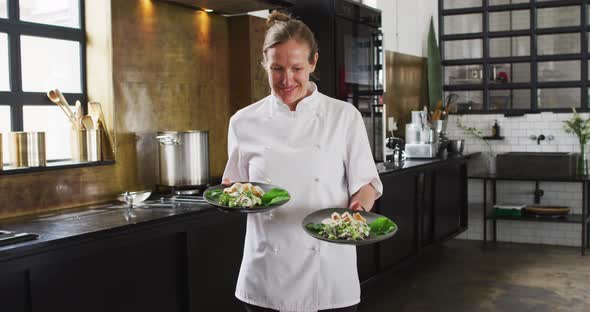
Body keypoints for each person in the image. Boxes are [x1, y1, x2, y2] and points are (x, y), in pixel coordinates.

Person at [222, 11, 383, 312]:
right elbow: (239, 188)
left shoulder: (344, 117)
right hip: (266, 275)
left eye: (297, 68)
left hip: (329, 274)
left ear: (314, 62)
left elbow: (367, 185)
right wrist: (234, 195)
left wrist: (360, 205)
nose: (287, 79)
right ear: (265, 65)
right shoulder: (243, 122)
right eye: (277, 69)